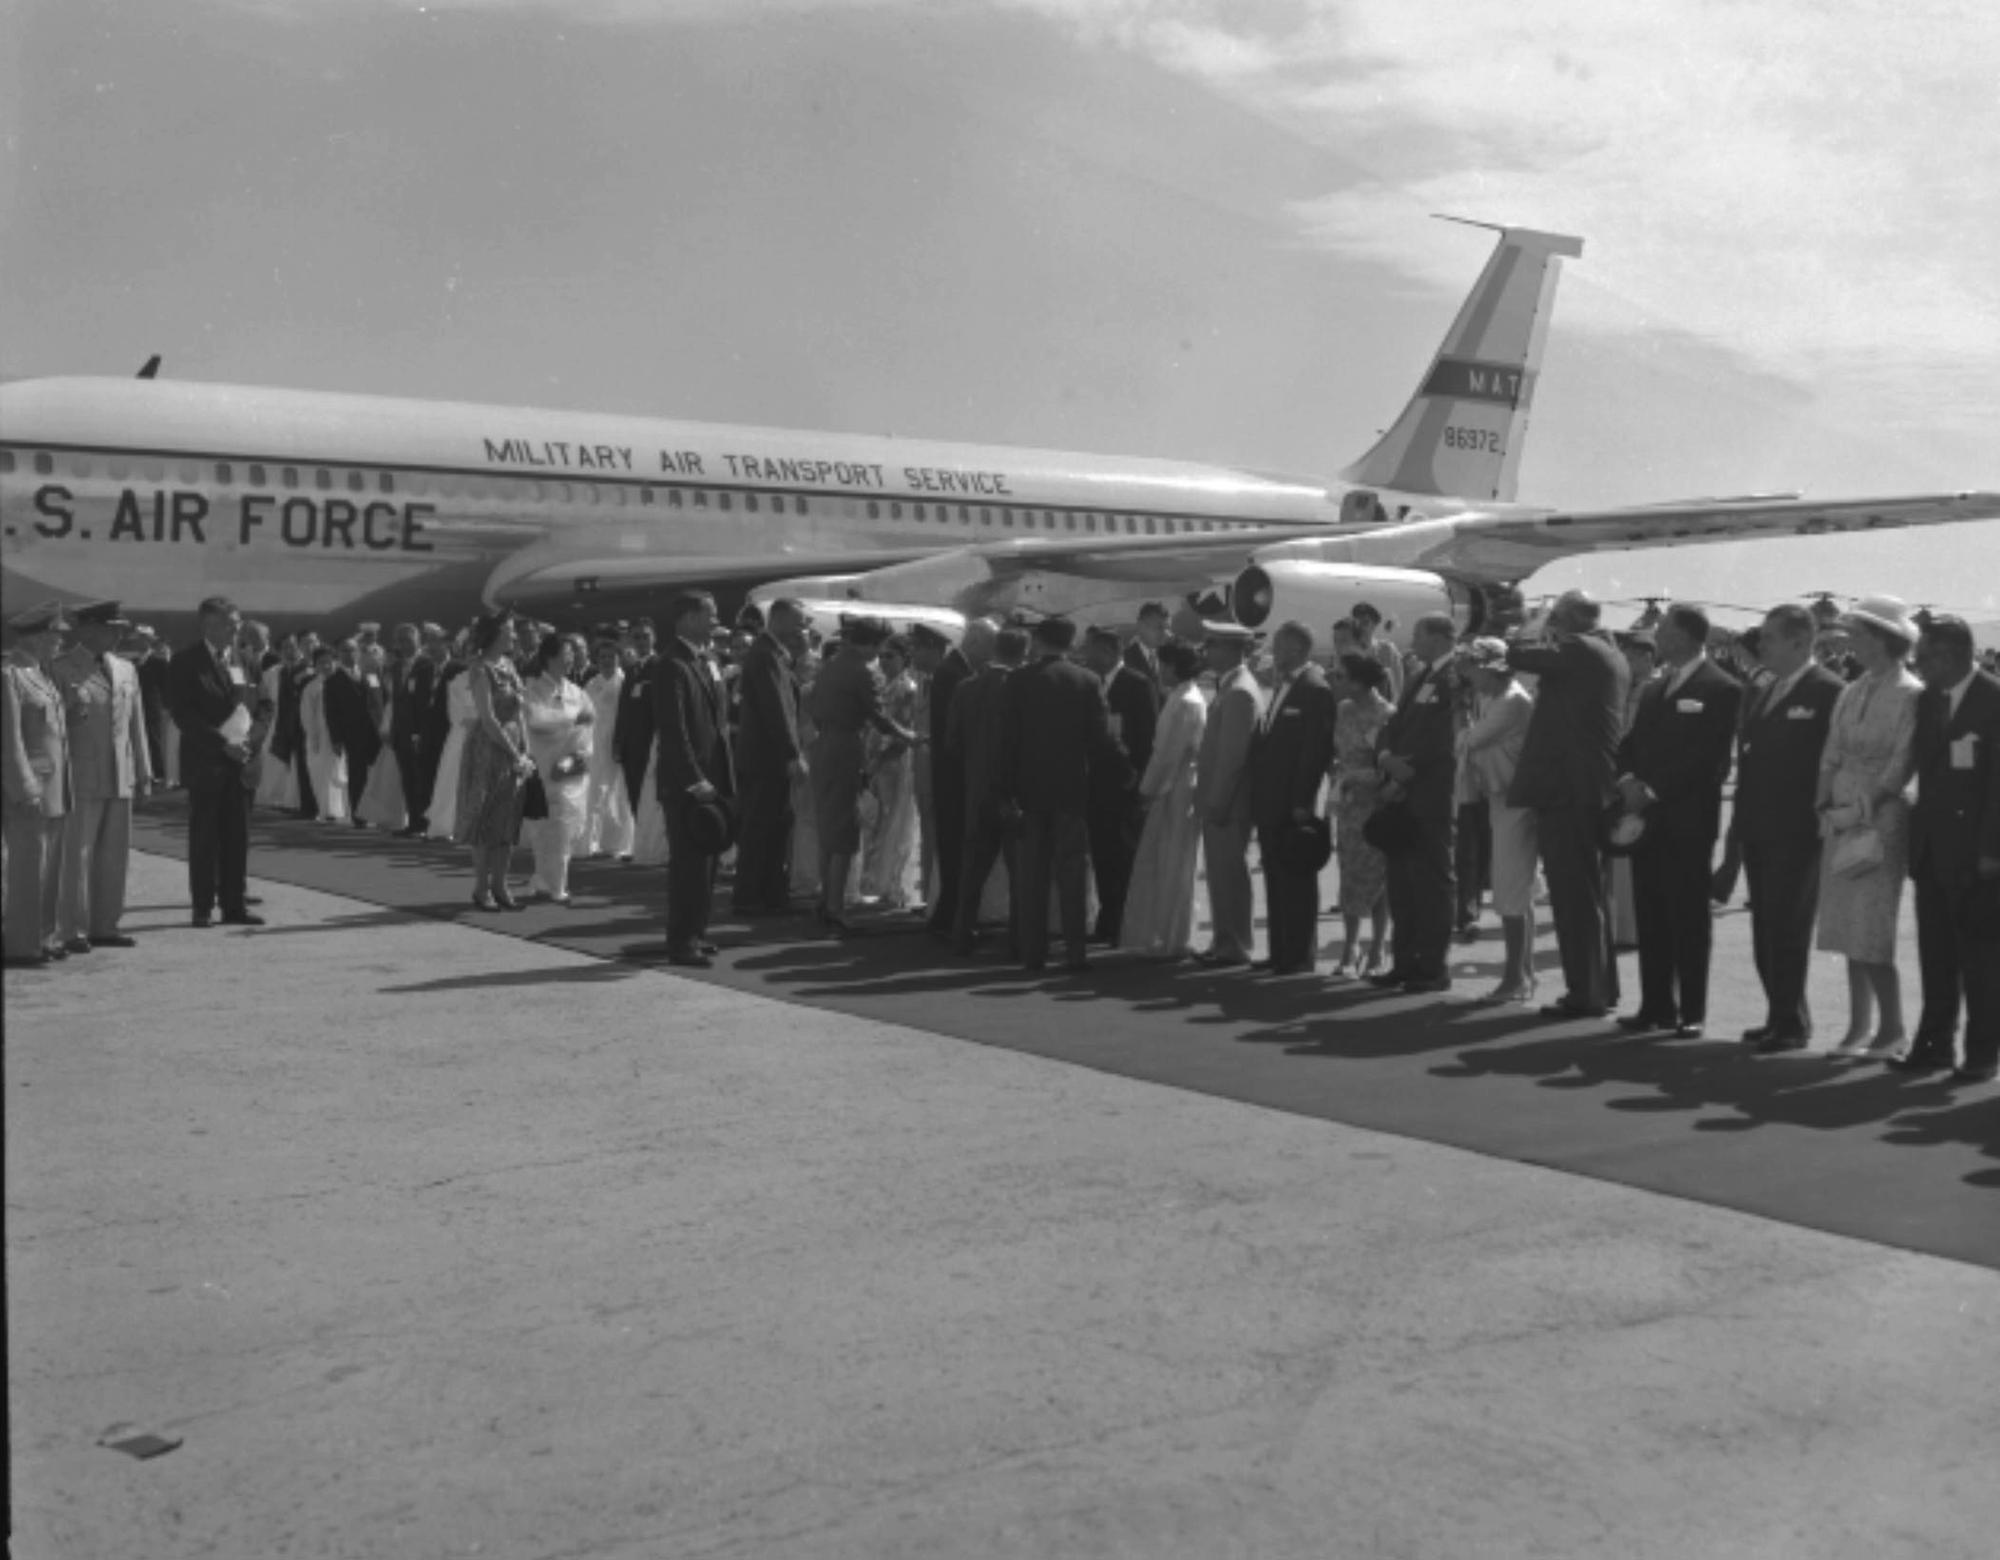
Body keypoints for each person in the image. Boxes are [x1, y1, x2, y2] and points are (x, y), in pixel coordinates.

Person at [1612, 605, 1742, 1039]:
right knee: (1651, 913)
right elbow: (1629, 744)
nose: (1657, 636)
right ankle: (1655, 1005)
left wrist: (1651, 790)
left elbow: (1708, 759)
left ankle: (1692, 1010)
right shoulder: (1654, 688)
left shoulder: (1721, 688)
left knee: (1687, 916)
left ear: (1687, 636)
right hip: (1647, 821)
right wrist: (1629, 780)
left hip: (1686, 819)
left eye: (1664, 629)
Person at [1506, 589, 1630, 1018]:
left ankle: (1586, 992)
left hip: (1568, 788)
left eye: (1557, 618)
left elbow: (1517, 653)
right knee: (1588, 895)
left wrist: (1534, 622)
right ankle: (1598, 986)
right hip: (1588, 786)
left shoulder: (1578, 648)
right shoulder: (1608, 651)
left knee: (1574, 895)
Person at [1812, 595, 1924, 1057]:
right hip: (1840, 815)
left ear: (1882, 639)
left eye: (1859, 634)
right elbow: (1831, 750)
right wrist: (1822, 802)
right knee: (1845, 926)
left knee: (1872, 926)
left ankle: (1892, 1029)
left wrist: (1864, 804)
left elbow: (1902, 763)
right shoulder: (1851, 689)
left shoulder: (1911, 693)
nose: (1851, 642)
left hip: (1881, 818)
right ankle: (1859, 1027)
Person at [1729, 604, 1842, 1051]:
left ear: (1800, 642)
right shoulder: (1765, 688)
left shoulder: (1829, 690)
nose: (1761, 645)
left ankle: (1791, 1023)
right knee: (1766, 928)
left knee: (1788, 928)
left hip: (1797, 830)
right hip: (1760, 825)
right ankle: (1779, 1013)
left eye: (1770, 638)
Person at [1897, 614, 2000, 1083]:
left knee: (1980, 962)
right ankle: (1935, 1043)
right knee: (1935, 955)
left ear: (1952, 656)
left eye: (1924, 658)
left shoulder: (1992, 701)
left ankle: (1981, 1054)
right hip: (1933, 849)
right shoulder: (1928, 703)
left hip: (1978, 857)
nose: (1919, 667)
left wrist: (1990, 854)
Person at [997, 616, 1126, 973]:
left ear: (1039, 640)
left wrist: (1006, 791)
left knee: (1032, 876)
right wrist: (1121, 775)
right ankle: (1075, 952)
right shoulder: (1087, 681)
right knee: (1072, 875)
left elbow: (1007, 741)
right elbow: (1101, 741)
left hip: (1029, 791)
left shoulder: (1019, 680)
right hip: (1071, 790)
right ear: (1071, 643)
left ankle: (1033, 952)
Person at [51, 600, 154, 953]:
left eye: (120, 628)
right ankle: (73, 929)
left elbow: (136, 724)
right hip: (80, 775)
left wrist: (144, 771)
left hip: (119, 774)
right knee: (76, 855)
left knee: (113, 854)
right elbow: (56, 730)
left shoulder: (126, 668)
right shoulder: (61, 668)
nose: (118, 634)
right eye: (111, 627)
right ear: (89, 629)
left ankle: (106, 925)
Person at [1375, 613, 1465, 993]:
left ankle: (1432, 967)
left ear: (1441, 638)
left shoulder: (1454, 679)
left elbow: (1443, 738)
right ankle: (1405, 961)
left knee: (1431, 882)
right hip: (1403, 793)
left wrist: (1404, 771)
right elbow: (1392, 726)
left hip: (1430, 794)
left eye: (1418, 634)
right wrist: (1385, 759)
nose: (1412, 640)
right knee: (1403, 882)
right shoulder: (1418, 676)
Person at [806, 617, 913, 934]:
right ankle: (834, 906)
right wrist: (909, 735)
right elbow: (879, 717)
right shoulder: (862, 671)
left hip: (823, 744)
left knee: (828, 826)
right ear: (874, 643)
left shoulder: (833, 664)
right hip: (844, 747)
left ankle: (827, 898)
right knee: (844, 831)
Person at [166, 596, 263, 927]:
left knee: (238, 837)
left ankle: (234, 905)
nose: (236, 628)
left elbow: (264, 707)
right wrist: (223, 744)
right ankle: (203, 906)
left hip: (243, 764)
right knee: (205, 837)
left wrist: (251, 741)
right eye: (229, 623)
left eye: (237, 622)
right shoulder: (185, 661)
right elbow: (183, 714)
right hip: (207, 762)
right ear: (207, 624)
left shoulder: (246, 659)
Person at [1247, 621, 1337, 975]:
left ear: (1298, 649)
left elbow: (1314, 752)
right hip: (1271, 801)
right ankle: (1280, 949)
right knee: (1274, 875)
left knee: (1295, 879)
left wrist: (1303, 802)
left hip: (1292, 803)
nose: (1274, 652)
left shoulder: (1314, 689)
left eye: (1280, 646)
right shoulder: (1283, 686)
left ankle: (1299, 954)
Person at [656, 591, 738, 965]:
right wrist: (694, 779)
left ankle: (696, 931)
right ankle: (681, 941)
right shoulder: (672, 664)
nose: (715, 621)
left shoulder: (705, 660)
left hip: (714, 778)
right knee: (688, 865)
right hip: (689, 785)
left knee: (708, 863)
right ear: (688, 618)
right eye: (710, 614)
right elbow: (675, 732)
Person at [1460, 638, 1539, 1002]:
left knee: (1509, 890)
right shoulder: (1492, 697)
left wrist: (1460, 732)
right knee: (1517, 891)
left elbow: (1468, 742)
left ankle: (1515, 979)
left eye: (1473, 667)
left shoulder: (1511, 702)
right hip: (1501, 798)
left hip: (1514, 802)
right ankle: (1524, 972)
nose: (1468, 674)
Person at [1119, 640, 1208, 958]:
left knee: (1172, 862)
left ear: (1172, 666)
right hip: (1175, 785)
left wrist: (1146, 791)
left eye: (1162, 663)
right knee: (1169, 862)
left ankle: (1172, 936)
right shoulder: (1184, 697)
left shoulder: (1184, 701)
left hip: (1175, 788)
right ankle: (1166, 932)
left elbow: (1167, 755)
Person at [2, 603, 74, 967]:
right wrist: (24, 787)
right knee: (28, 868)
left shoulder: (40, 673)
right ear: (39, 636)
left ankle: (45, 937)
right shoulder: (9, 674)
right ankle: (20, 944)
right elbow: (9, 739)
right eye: (57, 635)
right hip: (32, 789)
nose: (61, 641)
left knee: (49, 870)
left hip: (56, 788)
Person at [949, 626, 1027, 956]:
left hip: (977, 788)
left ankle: (962, 933)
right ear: (1023, 653)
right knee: (1020, 872)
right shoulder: (1022, 688)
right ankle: (1020, 939)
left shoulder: (965, 687)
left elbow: (952, 742)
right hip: (1013, 790)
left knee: (973, 870)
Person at [1192, 624, 1265, 966]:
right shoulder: (1232, 686)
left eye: (1212, 645)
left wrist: (1217, 801)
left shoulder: (1238, 691)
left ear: (1231, 649)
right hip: (1225, 797)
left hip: (1229, 800)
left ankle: (1233, 944)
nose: (1206, 651)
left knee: (1228, 873)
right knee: (1221, 874)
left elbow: (1233, 757)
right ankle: (1225, 939)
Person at [1081, 625, 1159, 946]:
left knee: (1122, 857)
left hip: (1125, 786)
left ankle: (1120, 922)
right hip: (1094, 786)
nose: (1086, 656)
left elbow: (1146, 737)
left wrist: (1138, 781)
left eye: (1092, 651)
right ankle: (1107, 918)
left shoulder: (1136, 685)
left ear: (1110, 653)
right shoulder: (1090, 684)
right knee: (1101, 855)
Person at [731, 599, 808, 914]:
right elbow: (777, 709)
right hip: (766, 758)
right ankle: (753, 896)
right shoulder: (766, 656)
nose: (802, 629)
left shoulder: (772, 654)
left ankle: (769, 892)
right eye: (798, 621)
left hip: (764, 756)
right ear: (779, 620)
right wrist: (792, 753)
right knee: (761, 826)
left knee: (773, 825)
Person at [458, 611, 534, 911]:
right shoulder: (480, 669)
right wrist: (515, 754)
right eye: (509, 631)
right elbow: (488, 720)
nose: (514, 636)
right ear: (495, 634)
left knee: (507, 820)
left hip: (514, 747)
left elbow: (519, 713)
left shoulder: (510, 666)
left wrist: (525, 749)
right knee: (485, 820)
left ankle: (501, 885)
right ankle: (481, 887)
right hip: (489, 750)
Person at [917, 619, 986, 939]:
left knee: (955, 845)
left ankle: (950, 912)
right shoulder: (953, 674)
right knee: (955, 844)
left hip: (951, 772)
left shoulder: (954, 671)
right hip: (953, 774)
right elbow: (955, 731)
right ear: (975, 643)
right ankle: (952, 915)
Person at [1326, 653, 1393, 978]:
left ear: (1358, 681)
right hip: (1348, 806)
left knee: (1379, 877)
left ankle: (1378, 946)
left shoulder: (1386, 715)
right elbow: (1337, 753)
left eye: (1340, 676)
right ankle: (1350, 946)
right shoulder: (1343, 711)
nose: (1334, 681)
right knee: (1349, 874)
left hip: (1375, 805)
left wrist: (1357, 778)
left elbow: (1387, 769)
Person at [521, 631, 595, 904]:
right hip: (542, 767)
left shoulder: (578, 692)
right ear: (549, 658)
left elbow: (588, 731)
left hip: (568, 769)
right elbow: (537, 724)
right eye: (565, 654)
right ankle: (545, 878)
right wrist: (572, 719)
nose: (571, 659)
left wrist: (574, 760)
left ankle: (556, 883)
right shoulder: (532, 690)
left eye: (573, 654)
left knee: (567, 826)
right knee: (543, 828)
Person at [860, 634, 923, 907]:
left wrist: (880, 759)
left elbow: (903, 733)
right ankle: (878, 881)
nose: (883, 661)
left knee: (894, 823)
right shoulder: (885, 685)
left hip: (894, 763)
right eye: (881, 656)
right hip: (877, 763)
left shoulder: (906, 688)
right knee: (878, 822)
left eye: (890, 656)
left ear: (904, 658)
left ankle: (892, 884)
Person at [322, 637, 384, 830]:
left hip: (375, 732)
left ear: (359, 652)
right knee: (357, 775)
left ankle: (379, 813)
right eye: (344, 651)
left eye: (352, 650)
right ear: (338, 655)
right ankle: (359, 815)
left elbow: (380, 702)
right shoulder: (332, 681)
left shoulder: (371, 676)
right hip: (352, 733)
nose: (349, 654)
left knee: (378, 774)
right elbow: (331, 713)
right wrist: (337, 739)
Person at [582, 639, 636, 861]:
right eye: (602, 657)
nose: (606, 661)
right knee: (594, 791)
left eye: (611, 657)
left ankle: (619, 843)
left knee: (618, 793)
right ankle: (593, 840)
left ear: (619, 658)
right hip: (593, 743)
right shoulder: (591, 684)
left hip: (616, 742)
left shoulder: (625, 682)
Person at [387, 622, 436, 836]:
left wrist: (421, 732)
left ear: (418, 641)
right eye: (401, 640)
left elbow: (426, 703)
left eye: (409, 639)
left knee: (421, 779)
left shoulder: (427, 665)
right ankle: (413, 822)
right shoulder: (397, 666)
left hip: (420, 732)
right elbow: (396, 701)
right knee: (407, 778)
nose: (405, 644)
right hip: (401, 731)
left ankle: (424, 823)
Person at [425, 657, 475, 841]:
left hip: (489, 734)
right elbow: (456, 715)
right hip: (463, 736)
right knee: (454, 779)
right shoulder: (458, 682)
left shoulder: (498, 677)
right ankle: (449, 824)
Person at [615, 618, 660, 817]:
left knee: (652, 799)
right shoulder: (631, 670)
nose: (641, 641)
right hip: (631, 748)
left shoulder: (661, 666)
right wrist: (618, 742)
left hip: (651, 745)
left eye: (646, 636)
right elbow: (623, 709)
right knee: (635, 797)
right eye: (637, 637)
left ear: (654, 638)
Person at [300, 647, 350, 825]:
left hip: (339, 733)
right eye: (321, 662)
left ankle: (343, 809)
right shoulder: (312, 687)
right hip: (320, 735)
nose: (326, 666)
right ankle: (327, 809)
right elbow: (307, 715)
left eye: (329, 661)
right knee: (323, 773)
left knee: (340, 772)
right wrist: (313, 737)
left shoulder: (342, 683)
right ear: (315, 665)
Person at [1122, 601, 1171, 708]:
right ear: (1140, 626)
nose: (1164, 633)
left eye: (1166, 628)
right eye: (1159, 627)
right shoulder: (1125, 660)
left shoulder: (1168, 659)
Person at [1351, 601, 1404, 700]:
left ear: (1374, 625)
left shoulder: (1386, 650)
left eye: (1365, 622)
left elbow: (1397, 682)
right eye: (1356, 622)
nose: (1360, 627)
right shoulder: (1348, 649)